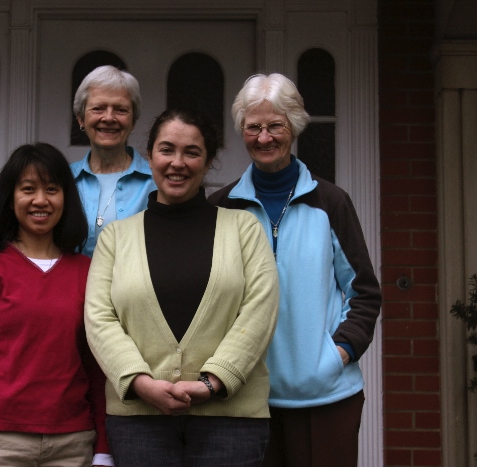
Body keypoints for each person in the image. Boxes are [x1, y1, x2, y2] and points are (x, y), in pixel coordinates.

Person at [85, 108, 279, 466]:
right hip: (139, 421)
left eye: (192, 152)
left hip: (231, 421)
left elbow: (260, 310)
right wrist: (140, 383)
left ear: (208, 162)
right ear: (149, 157)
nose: (178, 162)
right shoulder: (115, 238)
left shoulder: (244, 229)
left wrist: (213, 382)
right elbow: (99, 318)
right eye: (166, 149)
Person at [208, 73, 382, 467]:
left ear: (295, 126)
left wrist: (338, 353)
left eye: (276, 126)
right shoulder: (223, 207)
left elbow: (365, 292)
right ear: (242, 131)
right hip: (246, 397)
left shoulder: (331, 202)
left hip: (325, 396)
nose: (264, 138)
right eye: (253, 127)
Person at [0, 143, 112, 467]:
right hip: (0, 444)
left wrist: (103, 451)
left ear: (66, 198)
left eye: (52, 189)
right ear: (10, 199)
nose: (41, 200)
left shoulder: (87, 271)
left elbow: (97, 370)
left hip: (73, 443)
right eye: (28, 189)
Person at [71, 65, 156, 257]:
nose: (109, 118)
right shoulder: (62, 180)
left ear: (133, 120)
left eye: (120, 110)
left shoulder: (157, 182)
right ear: (80, 118)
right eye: (98, 108)